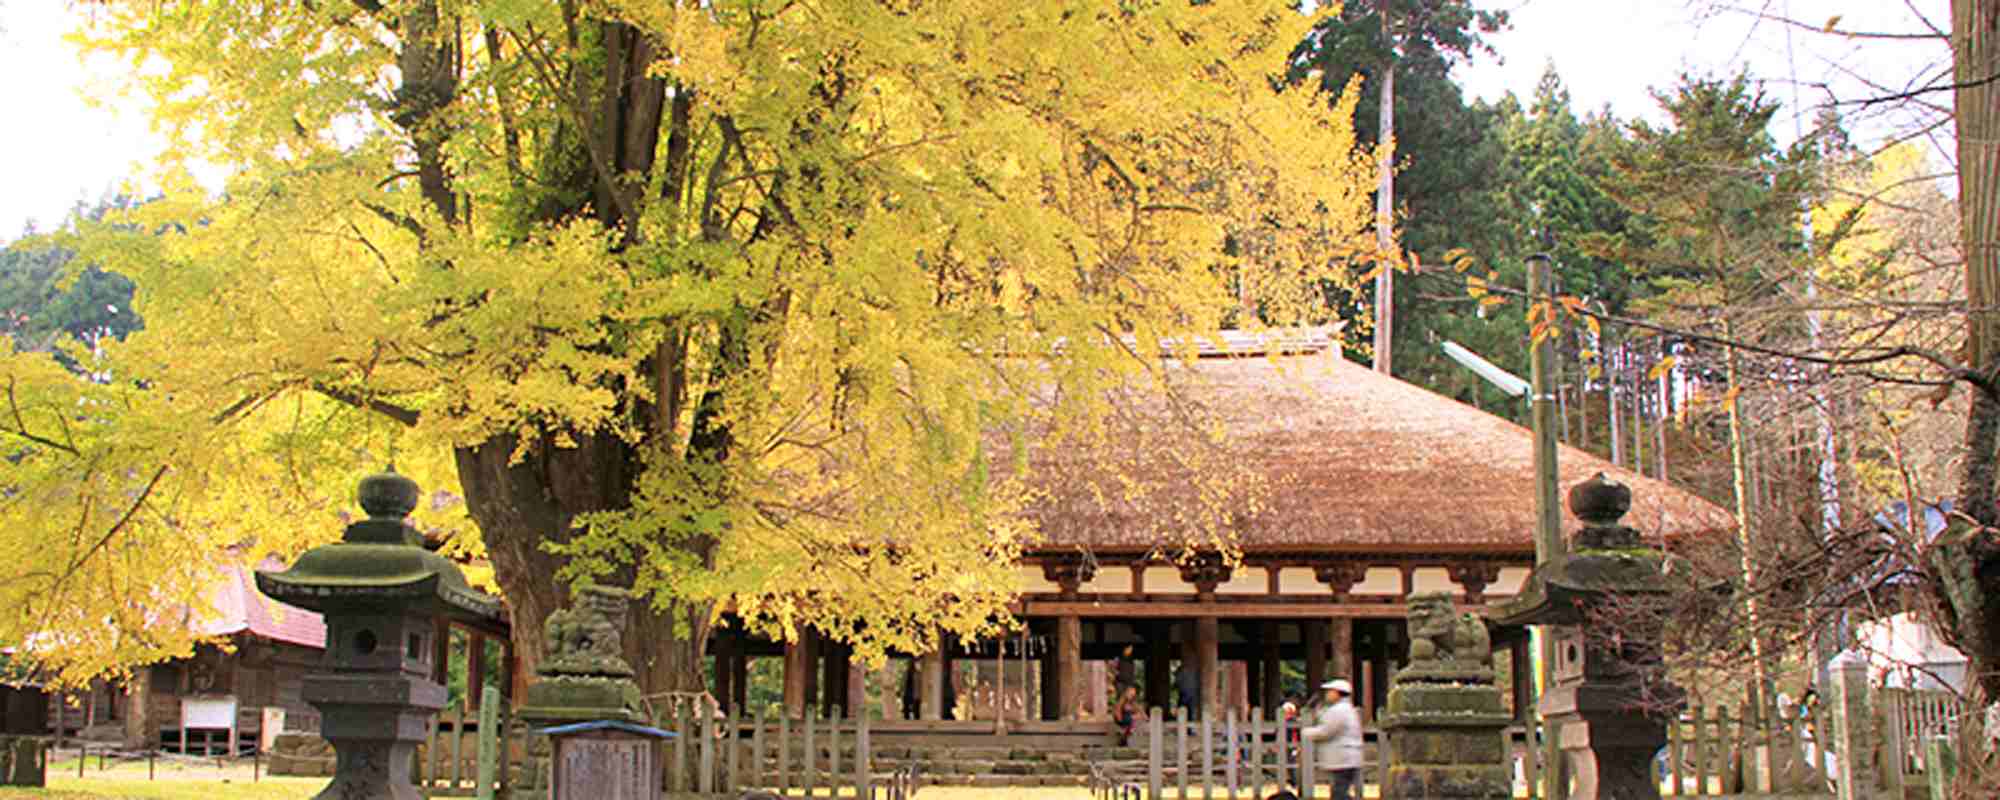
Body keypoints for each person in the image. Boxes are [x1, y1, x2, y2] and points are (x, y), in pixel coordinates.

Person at [1300, 679, 1363, 800]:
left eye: (1330, 691)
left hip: (1343, 758)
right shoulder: (1343, 709)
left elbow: (1327, 731)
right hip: (1345, 757)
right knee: (1339, 791)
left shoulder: (1339, 710)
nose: (1327, 694)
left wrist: (1307, 732)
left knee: (1338, 793)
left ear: (1337, 693)